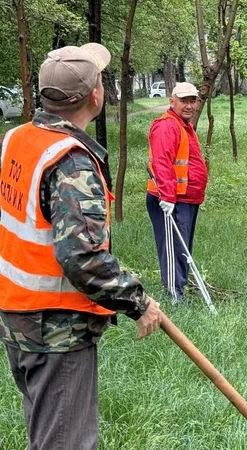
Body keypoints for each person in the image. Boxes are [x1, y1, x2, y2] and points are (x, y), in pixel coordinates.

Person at [0, 43, 162, 450]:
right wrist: (138, 301)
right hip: (56, 331)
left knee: (47, 433)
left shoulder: (16, 139)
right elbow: (82, 257)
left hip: (17, 320)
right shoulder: (70, 161)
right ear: (95, 95)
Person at [146, 82, 208, 301]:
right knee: (174, 248)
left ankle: (179, 287)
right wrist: (168, 197)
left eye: (192, 101)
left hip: (187, 198)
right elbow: (162, 163)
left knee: (182, 248)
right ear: (172, 101)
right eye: (184, 101)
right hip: (172, 200)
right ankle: (174, 295)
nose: (189, 106)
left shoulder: (183, 125)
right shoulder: (167, 126)